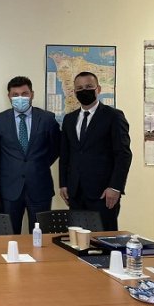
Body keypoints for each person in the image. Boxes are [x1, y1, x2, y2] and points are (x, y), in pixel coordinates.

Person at [59, 71, 132, 231]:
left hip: (103, 193)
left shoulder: (113, 116)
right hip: (75, 192)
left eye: (89, 86)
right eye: (79, 88)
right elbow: (65, 154)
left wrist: (115, 187)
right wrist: (63, 183)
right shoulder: (69, 119)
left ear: (98, 89)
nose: (84, 90)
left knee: (103, 239)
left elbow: (123, 154)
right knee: (77, 239)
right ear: (74, 92)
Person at [0, 76, 61, 234]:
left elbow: (56, 148)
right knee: (10, 236)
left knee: (40, 236)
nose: (20, 98)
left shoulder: (47, 119)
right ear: (9, 96)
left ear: (32, 94)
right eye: (15, 95)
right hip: (10, 188)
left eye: (24, 93)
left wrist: (38, 165)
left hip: (40, 186)